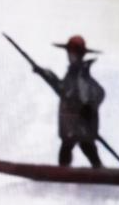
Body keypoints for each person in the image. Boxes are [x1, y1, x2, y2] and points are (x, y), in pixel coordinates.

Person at [34, 35, 106, 168]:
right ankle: (67, 173)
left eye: (73, 53)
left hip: (81, 123)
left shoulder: (81, 74)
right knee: (70, 148)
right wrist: (44, 73)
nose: (70, 55)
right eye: (69, 52)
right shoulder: (72, 73)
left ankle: (98, 173)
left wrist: (89, 107)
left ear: (80, 55)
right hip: (72, 123)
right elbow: (62, 88)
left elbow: (99, 92)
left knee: (85, 148)